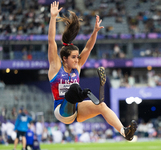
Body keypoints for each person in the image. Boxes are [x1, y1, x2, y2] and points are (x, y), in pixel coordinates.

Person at [48, 1, 137, 141]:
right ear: (64, 58)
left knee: (101, 105)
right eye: (73, 57)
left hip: (77, 109)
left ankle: (124, 132)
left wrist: (95, 31)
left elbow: (88, 48)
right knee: (74, 89)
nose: (77, 60)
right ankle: (81, 93)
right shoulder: (55, 67)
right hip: (61, 111)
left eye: (78, 57)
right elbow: (51, 41)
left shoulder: (77, 67)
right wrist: (53, 17)